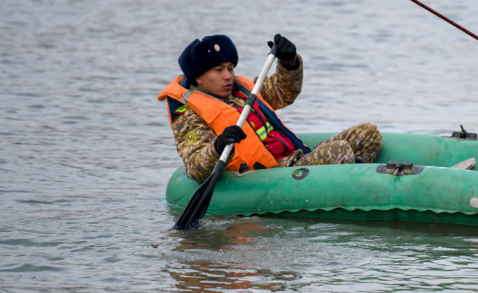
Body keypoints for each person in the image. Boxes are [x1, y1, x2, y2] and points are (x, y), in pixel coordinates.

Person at [158, 33, 382, 182]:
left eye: (230, 68)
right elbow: (196, 168)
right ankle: (353, 186)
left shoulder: (242, 91)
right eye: (219, 70)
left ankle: (348, 186)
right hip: (271, 175)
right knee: (339, 151)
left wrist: (289, 63)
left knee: (368, 134)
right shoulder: (188, 115)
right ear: (198, 77)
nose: (228, 76)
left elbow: (283, 93)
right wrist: (218, 146)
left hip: (294, 159)